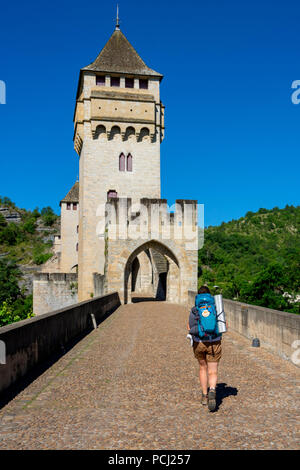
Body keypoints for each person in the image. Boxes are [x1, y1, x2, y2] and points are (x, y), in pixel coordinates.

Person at [187, 286, 224, 411]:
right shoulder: (216, 307)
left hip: (199, 343)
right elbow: (224, 326)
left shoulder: (195, 310)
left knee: (203, 368)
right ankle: (212, 389)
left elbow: (189, 327)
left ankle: (204, 395)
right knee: (213, 371)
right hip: (214, 343)